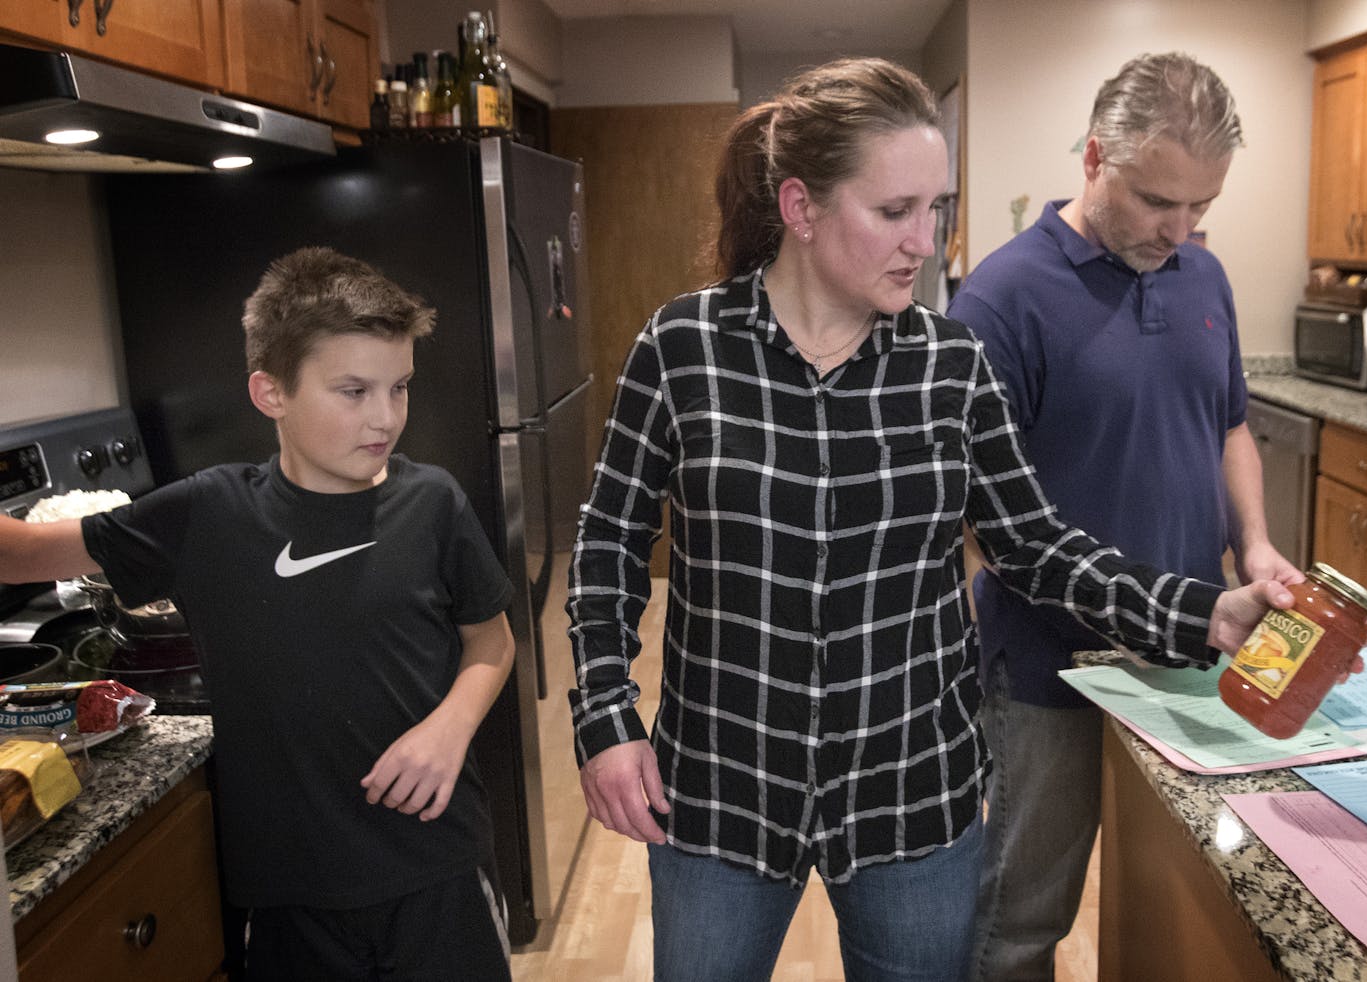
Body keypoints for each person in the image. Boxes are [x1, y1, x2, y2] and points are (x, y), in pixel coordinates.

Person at [564, 57, 1294, 982]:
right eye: (894, 211)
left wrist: (1206, 613)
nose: (926, 240)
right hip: (723, 790)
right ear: (801, 208)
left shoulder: (951, 366)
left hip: (910, 798)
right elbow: (608, 544)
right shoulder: (683, 350)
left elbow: (1034, 547)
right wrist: (604, 718)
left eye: (935, 209)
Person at [0, 247, 517, 981]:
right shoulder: (206, 513)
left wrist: (450, 729)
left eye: (399, 387)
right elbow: (18, 554)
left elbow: (490, 642)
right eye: (353, 390)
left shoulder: (434, 503)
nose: (386, 417)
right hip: (285, 889)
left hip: (437, 864)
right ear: (270, 392)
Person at [945, 52, 1301, 981]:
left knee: (1178, 896)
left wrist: (1254, 545)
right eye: (1156, 202)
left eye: (1200, 210)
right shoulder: (999, 300)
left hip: (1198, 653)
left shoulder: (1202, 277)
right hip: (1050, 665)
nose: (1178, 231)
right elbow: (997, 530)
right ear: (1095, 156)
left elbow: (1229, 427)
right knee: (1024, 916)